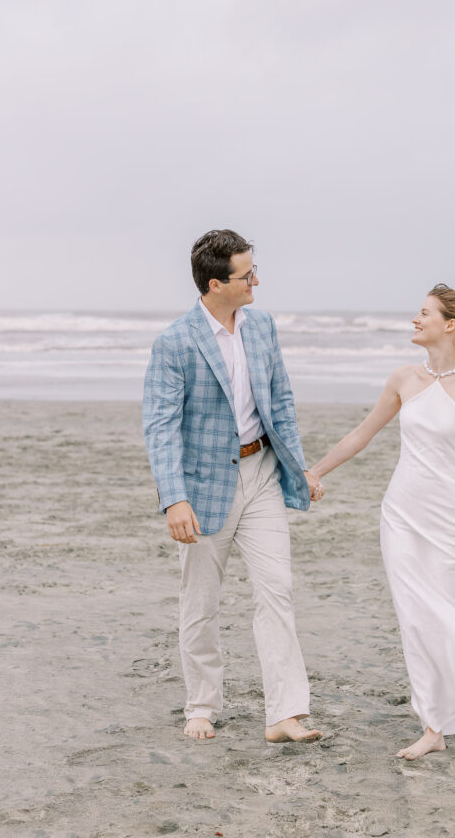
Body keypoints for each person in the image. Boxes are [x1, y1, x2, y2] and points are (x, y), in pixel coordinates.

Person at [310, 284, 455, 759]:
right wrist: (315, 470)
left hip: (452, 517)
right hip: (401, 514)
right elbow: (362, 433)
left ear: (449, 324)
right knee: (414, 617)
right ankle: (432, 725)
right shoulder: (403, 378)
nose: (414, 320)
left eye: (424, 314)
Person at [143, 229, 325, 743]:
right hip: (202, 488)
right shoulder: (175, 342)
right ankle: (201, 705)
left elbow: (281, 403)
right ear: (216, 283)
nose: (257, 282)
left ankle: (283, 715)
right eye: (247, 275)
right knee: (200, 601)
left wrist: (301, 467)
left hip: (263, 473)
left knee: (278, 591)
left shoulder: (262, 327)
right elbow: (160, 426)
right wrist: (174, 498)